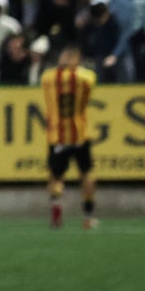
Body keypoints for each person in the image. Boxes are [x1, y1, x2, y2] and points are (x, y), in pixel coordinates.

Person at [41, 42, 98, 230]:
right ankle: (88, 217)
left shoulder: (48, 78)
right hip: (80, 134)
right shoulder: (86, 77)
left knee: (56, 177)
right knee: (86, 173)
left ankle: (56, 216)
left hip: (57, 135)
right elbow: (89, 82)